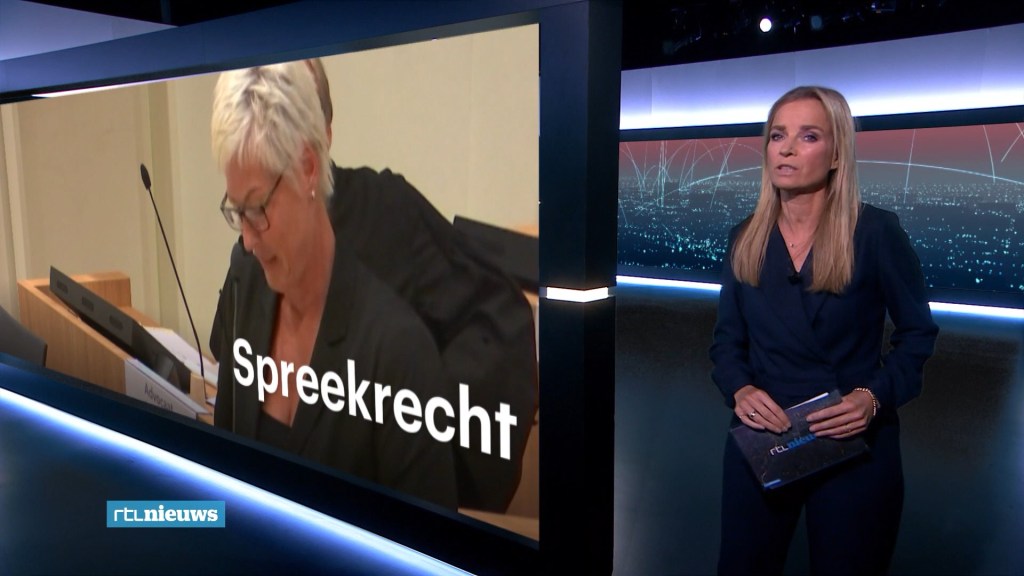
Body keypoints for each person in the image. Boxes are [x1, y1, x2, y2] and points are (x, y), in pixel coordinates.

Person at [709, 86, 938, 574]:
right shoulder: (744, 237)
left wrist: (872, 398)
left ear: (837, 155)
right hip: (766, 437)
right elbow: (727, 341)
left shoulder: (875, 233)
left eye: (808, 136)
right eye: (778, 136)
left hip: (851, 441)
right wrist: (740, 387)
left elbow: (917, 334)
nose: (787, 149)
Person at [208, 62, 458, 509]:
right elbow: (225, 480)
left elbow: (429, 543)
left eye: (258, 208)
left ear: (308, 167)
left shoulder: (397, 352)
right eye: (237, 211)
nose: (247, 239)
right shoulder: (246, 284)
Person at [308, 57, 538, 512]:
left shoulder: (386, 212)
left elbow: (498, 317)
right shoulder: (252, 237)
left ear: (324, 133)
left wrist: (415, 423)